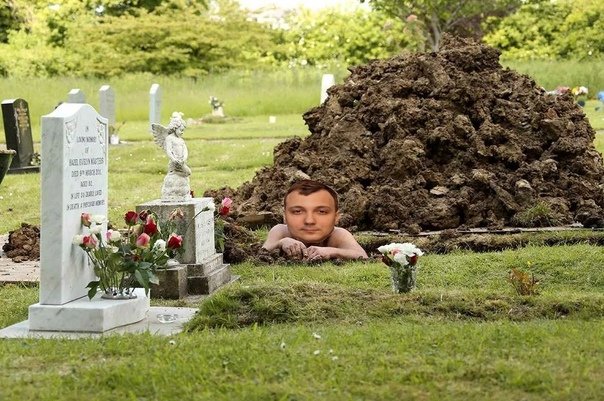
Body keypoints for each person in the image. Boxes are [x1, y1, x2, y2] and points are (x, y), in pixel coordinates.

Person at [262, 179, 368, 261]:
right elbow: (263, 251)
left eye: (321, 212)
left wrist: (330, 251)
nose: (309, 221)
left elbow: (362, 255)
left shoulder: (338, 235)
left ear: (336, 217)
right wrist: (281, 243)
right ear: (285, 216)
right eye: (298, 211)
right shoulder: (281, 231)